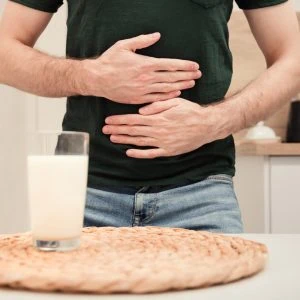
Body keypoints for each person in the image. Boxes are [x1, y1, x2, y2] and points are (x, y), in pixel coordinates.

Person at [0, 0, 299, 233]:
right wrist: (90, 76)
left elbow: (293, 59)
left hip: (201, 197)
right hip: (85, 197)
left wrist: (213, 122)